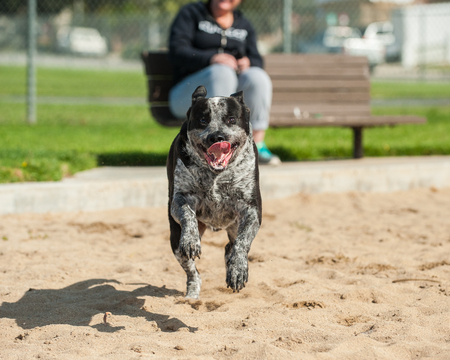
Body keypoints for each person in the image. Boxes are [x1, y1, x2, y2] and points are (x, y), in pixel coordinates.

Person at [168, 0, 280, 165]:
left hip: (229, 89)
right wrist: (212, 58)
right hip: (186, 96)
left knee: (257, 76)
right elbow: (177, 50)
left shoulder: (243, 24)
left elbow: (256, 58)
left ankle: (256, 146)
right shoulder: (192, 14)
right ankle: (214, 146)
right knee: (222, 73)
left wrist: (247, 62)